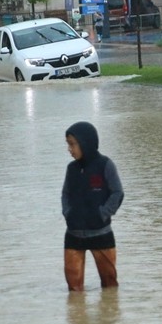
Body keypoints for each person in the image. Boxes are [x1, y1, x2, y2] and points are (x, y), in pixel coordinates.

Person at [62, 121, 124, 291]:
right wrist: (68, 213)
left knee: (110, 286)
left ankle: (109, 317)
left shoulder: (105, 165)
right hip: (73, 235)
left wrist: (102, 214)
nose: (70, 149)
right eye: (68, 144)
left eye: (73, 144)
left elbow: (117, 193)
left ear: (85, 143)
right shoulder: (71, 169)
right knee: (74, 290)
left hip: (101, 233)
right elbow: (66, 194)